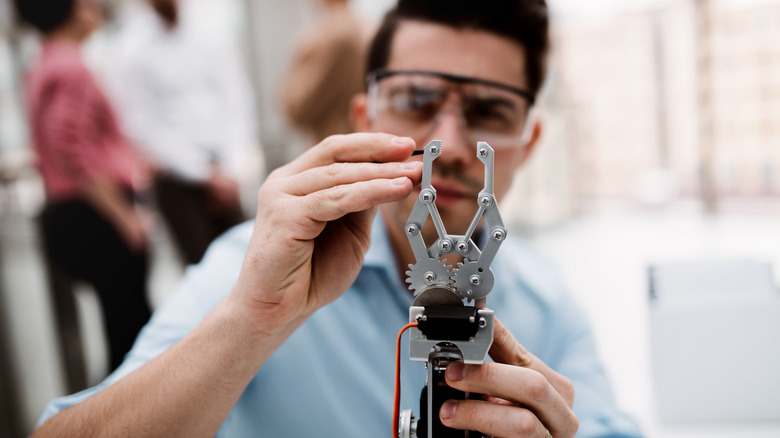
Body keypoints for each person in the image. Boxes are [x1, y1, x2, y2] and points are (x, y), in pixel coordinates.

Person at [33, 1, 643, 437]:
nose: (449, 147)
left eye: (489, 110)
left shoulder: (548, 304)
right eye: (417, 101)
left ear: (529, 144)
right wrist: (253, 320)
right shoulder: (250, 271)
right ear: (363, 118)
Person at [14, 0, 152, 371]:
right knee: (130, 335)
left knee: (122, 330)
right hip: (95, 216)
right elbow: (69, 151)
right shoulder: (71, 67)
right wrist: (125, 217)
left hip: (78, 213)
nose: (96, 7)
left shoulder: (45, 63)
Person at [112, 0, 255, 266]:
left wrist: (229, 168)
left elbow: (236, 99)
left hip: (225, 171)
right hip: (178, 179)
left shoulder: (210, 31)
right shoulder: (132, 48)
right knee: (204, 270)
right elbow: (142, 127)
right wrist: (204, 174)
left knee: (250, 261)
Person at [282, 0, 367, 143]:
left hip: (339, 147)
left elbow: (298, 109)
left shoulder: (337, 36)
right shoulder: (364, 26)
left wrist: (301, 60)